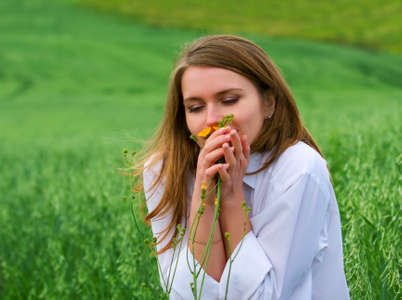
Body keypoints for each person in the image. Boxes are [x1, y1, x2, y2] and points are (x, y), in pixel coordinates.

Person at [135, 35, 350, 299]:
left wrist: (231, 197)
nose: (212, 120)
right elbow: (188, 294)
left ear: (269, 102)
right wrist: (205, 200)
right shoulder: (164, 171)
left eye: (229, 101)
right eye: (196, 107)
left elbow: (264, 296)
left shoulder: (299, 170)